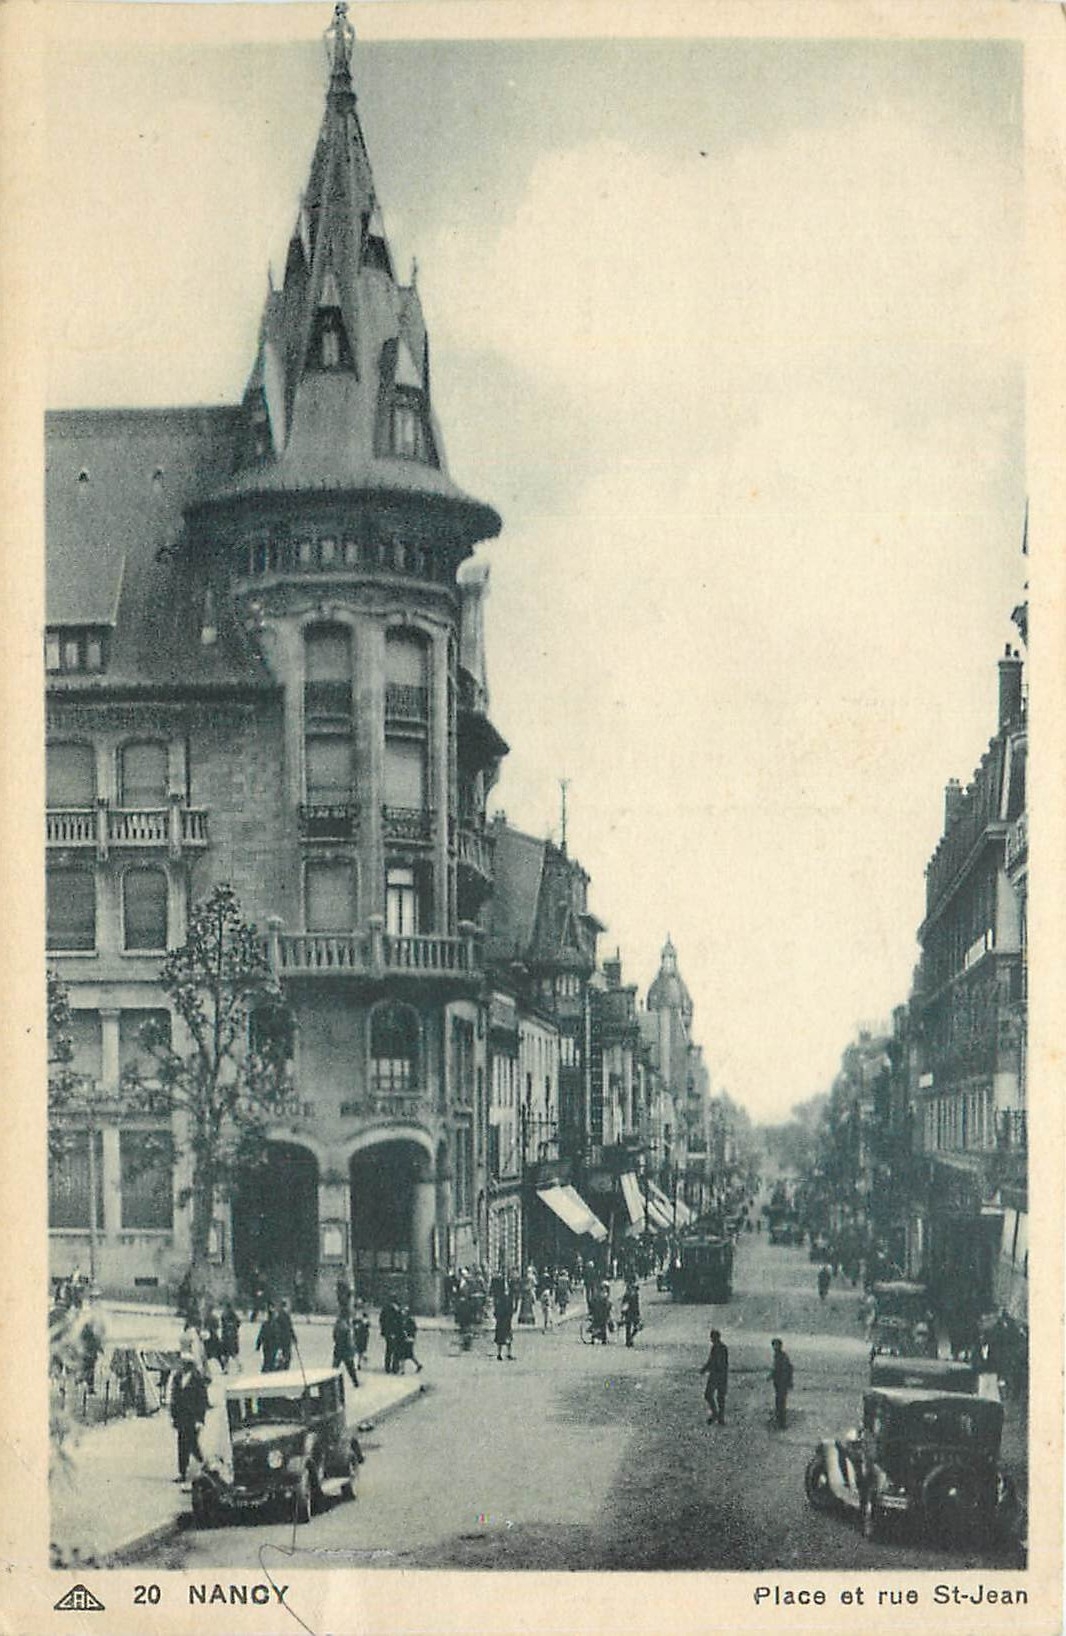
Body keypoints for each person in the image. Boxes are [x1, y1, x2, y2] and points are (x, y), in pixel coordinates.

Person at [170, 1353, 209, 1487]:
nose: (181, 1366)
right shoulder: (177, 1378)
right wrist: (173, 1416)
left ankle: (202, 1464)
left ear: (190, 1365)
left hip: (192, 1418)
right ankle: (183, 1471)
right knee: (183, 1444)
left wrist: (200, 1420)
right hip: (181, 1417)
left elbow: (202, 1401)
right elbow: (174, 1397)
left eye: (184, 1364)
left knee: (191, 1444)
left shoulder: (197, 1379)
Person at [700, 1328, 729, 1424]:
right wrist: (704, 1369)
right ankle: (717, 1415)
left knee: (717, 1397)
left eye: (712, 1337)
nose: (711, 1339)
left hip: (718, 1375)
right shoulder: (716, 1348)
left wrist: (706, 1369)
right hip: (718, 1375)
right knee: (711, 1396)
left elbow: (720, 1363)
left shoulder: (722, 1348)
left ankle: (719, 1416)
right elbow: (711, 1361)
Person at [332, 1309, 360, 1388]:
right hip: (346, 1350)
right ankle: (355, 1382)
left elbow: (334, 1336)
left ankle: (332, 1383)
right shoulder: (347, 1326)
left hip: (338, 1348)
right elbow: (349, 1340)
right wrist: (353, 1349)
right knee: (350, 1367)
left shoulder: (337, 1324)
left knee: (335, 1367)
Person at [769, 1337, 793, 1429]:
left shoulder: (782, 1356)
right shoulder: (777, 1355)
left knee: (781, 1402)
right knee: (779, 1402)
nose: (775, 1347)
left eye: (776, 1345)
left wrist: (789, 1381)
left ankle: (781, 1423)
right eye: (774, 1345)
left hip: (782, 1382)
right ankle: (779, 1421)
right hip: (778, 1382)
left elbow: (788, 1369)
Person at [255, 1303, 282, 1372]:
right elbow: (278, 1336)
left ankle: (266, 1370)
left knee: (268, 1359)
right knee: (270, 1359)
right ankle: (268, 1370)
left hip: (268, 1345)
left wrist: (258, 1344)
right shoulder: (275, 1325)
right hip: (271, 1345)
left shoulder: (267, 1324)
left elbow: (261, 1335)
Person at [396, 1307, 423, 1373]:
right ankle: (416, 1365)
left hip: (408, 1339)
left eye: (404, 1311)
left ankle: (403, 1369)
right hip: (405, 1339)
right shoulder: (403, 1319)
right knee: (406, 1354)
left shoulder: (410, 1320)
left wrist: (409, 1335)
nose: (403, 1312)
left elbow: (413, 1329)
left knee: (406, 1354)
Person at [494, 1284, 515, 1361]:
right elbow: (510, 1310)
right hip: (504, 1321)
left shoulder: (501, 1299)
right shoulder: (506, 1299)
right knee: (505, 1337)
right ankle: (503, 1354)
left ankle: (504, 1354)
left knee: (503, 1338)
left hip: (503, 1321)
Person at [220, 1298, 241, 1371]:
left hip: (228, 1336)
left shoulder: (226, 1314)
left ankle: (228, 1368)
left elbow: (223, 1325)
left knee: (228, 1353)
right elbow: (238, 1323)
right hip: (230, 1336)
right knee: (231, 1353)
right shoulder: (232, 1314)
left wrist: (230, 1327)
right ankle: (237, 1366)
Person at [275, 1299, 296, 1371]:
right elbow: (290, 1328)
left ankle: (282, 1366)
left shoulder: (279, 1316)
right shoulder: (283, 1316)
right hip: (284, 1338)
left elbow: (289, 1328)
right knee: (285, 1354)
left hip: (283, 1338)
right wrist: (293, 1337)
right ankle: (284, 1366)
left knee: (283, 1354)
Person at [620, 1279, 642, 1347]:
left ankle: (629, 1339)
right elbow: (624, 1305)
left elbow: (624, 1304)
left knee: (632, 1327)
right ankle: (629, 1340)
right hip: (630, 1312)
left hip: (631, 1312)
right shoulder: (629, 1295)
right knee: (631, 1327)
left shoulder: (633, 1295)